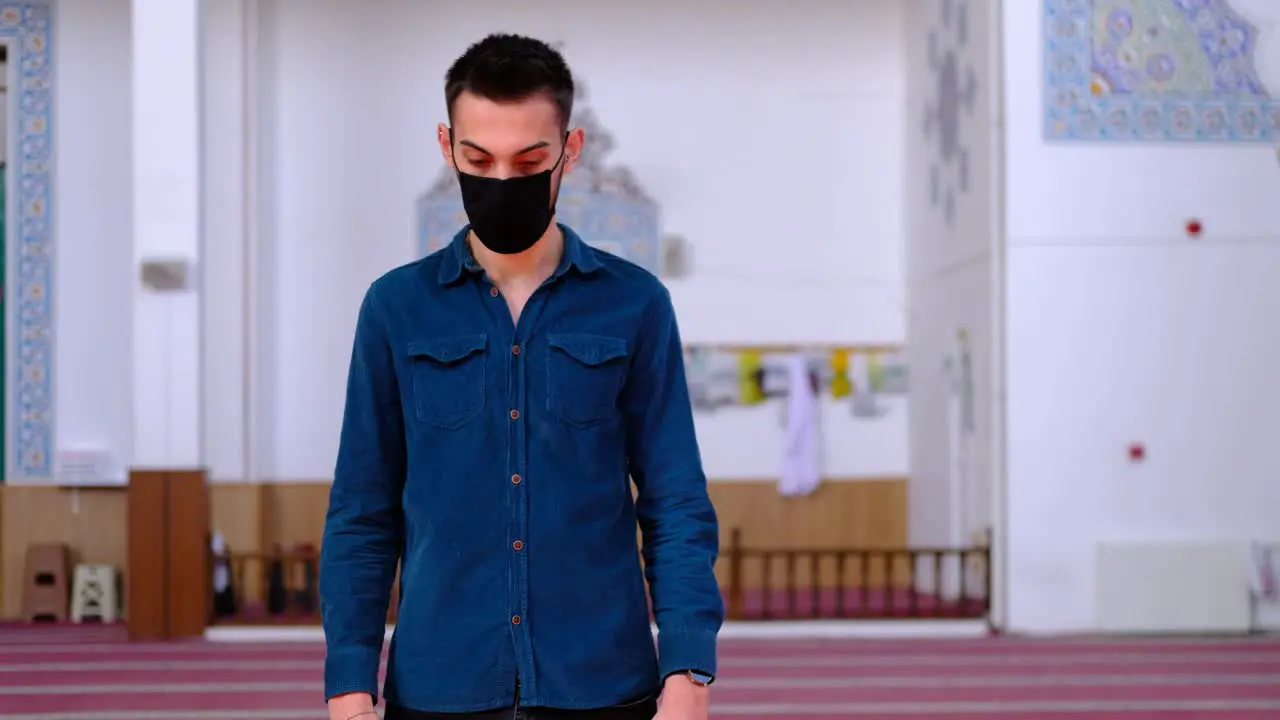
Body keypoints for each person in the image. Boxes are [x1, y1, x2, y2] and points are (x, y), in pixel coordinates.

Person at [319, 34, 724, 720]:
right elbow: (362, 510)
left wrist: (688, 671)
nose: (503, 179)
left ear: (569, 149)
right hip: (440, 686)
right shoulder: (396, 308)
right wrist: (350, 683)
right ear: (447, 146)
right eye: (480, 158)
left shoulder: (636, 304)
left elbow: (675, 498)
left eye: (529, 159)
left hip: (603, 684)